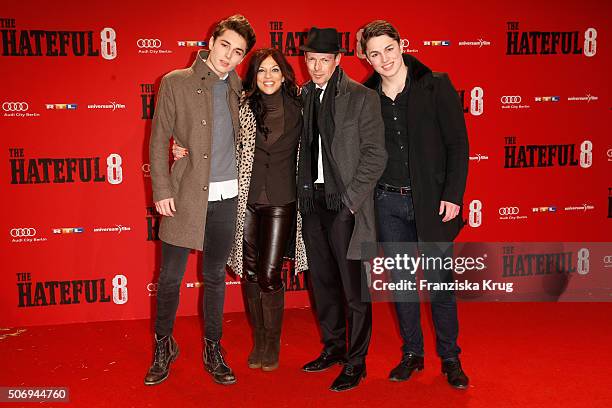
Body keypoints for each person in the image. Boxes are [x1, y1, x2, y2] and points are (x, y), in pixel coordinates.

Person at [173, 48, 308, 372]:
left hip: (282, 198)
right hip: (246, 197)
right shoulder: (243, 106)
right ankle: (259, 338)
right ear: (253, 75)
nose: (268, 77)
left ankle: (272, 341)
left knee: (269, 273)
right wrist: (184, 146)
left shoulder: (302, 107)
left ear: (285, 73)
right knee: (248, 272)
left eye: (274, 70)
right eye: (262, 71)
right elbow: (214, 134)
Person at [144, 14, 256, 386]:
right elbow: (159, 139)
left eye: (237, 51)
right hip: (185, 193)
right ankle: (164, 344)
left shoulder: (241, 88)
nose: (228, 55)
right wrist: (161, 189)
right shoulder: (176, 82)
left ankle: (213, 346)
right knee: (171, 278)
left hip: (227, 196)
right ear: (211, 41)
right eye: (225, 45)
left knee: (214, 278)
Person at [360, 20, 470, 389]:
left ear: (401, 45)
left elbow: (458, 144)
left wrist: (453, 195)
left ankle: (450, 357)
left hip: (434, 204)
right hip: (388, 203)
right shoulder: (366, 95)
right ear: (367, 57)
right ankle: (412, 353)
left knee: (440, 283)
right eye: (374, 53)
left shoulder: (435, 84)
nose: (384, 58)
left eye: (389, 49)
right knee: (403, 284)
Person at [297, 27, 387, 392]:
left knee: (354, 290)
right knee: (322, 283)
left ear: (338, 60)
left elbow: (375, 154)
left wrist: (350, 202)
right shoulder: (301, 96)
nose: (317, 68)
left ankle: (357, 361)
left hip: (345, 205)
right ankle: (333, 348)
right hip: (311, 202)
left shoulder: (362, 97)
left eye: (324, 60)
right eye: (311, 60)